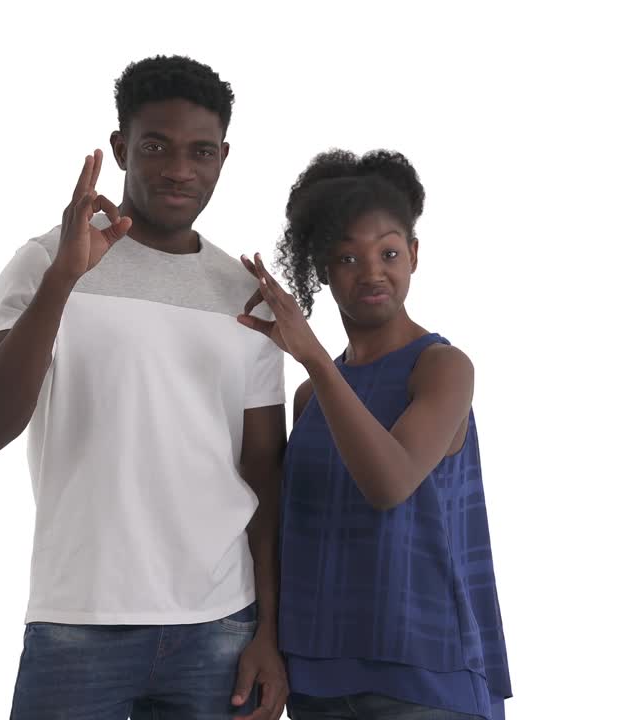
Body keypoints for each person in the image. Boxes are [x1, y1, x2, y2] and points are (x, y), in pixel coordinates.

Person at [0, 55, 289, 720]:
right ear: (120, 148)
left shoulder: (245, 294)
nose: (178, 170)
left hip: (219, 624)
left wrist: (271, 635)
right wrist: (62, 283)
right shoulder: (50, 259)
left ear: (223, 157)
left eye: (200, 152)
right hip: (79, 619)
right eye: (156, 146)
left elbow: (266, 477)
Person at [236, 150, 512, 720]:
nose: (372, 272)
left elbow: (389, 483)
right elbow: (288, 526)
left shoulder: (441, 368)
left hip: (423, 678)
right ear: (321, 270)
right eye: (346, 257)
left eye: (388, 252)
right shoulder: (311, 399)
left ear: (413, 254)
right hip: (316, 677)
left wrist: (314, 357)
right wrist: (269, 637)